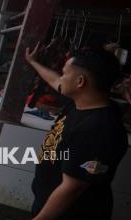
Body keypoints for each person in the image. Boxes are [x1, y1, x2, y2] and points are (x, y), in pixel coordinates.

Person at [25, 43, 128, 220]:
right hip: (48, 204)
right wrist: (32, 62)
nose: (61, 78)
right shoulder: (81, 103)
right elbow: (54, 80)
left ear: (80, 81)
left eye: (65, 73)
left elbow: (71, 190)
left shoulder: (98, 129)